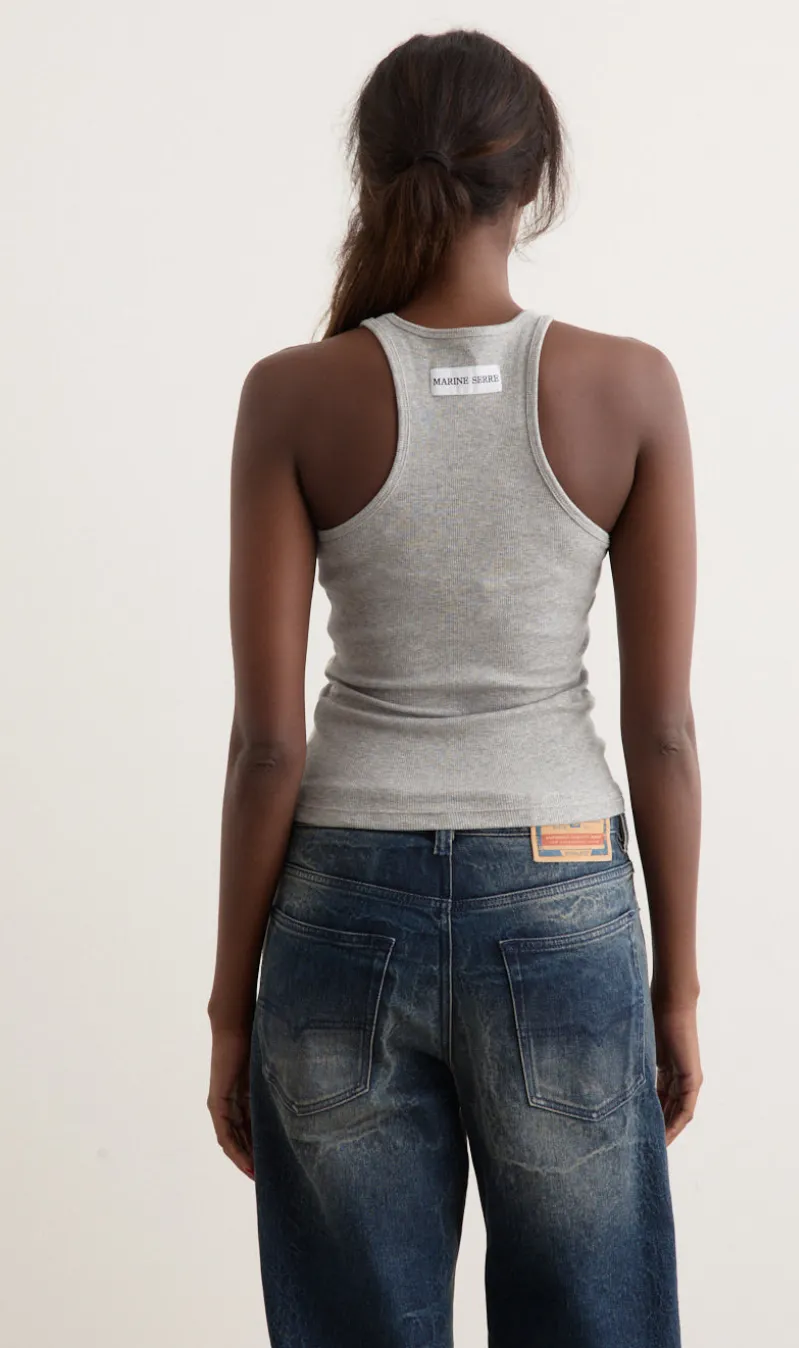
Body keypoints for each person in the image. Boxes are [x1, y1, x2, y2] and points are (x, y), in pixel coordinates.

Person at [206, 26, 702, 1348]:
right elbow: (662, 732)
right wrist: (676, 987)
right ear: (533, 183)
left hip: (338, 907)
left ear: (372, 177)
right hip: (562, 891)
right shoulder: (630, 387)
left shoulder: (293, 394)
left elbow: (266, 746)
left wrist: (228, 1008)